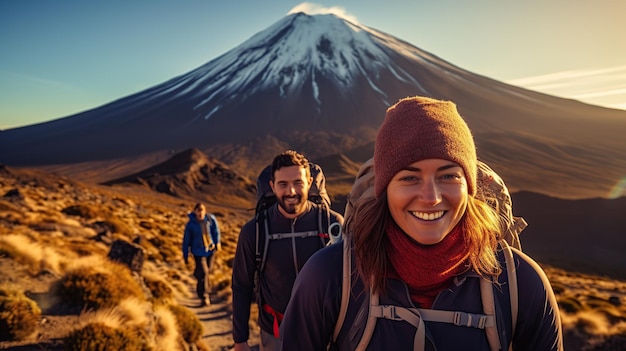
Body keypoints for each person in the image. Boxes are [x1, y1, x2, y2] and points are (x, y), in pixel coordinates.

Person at [281, 96, 563, 350]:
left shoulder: (521, 283)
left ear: (470, 186)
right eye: (409, 178)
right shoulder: (330, 276)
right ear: (385, 190)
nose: (430, 197)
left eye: (448, 176)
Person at [232, 150, 344, 351]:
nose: (291, 191)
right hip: (275, 333)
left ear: (309, 183)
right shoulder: (255, 231)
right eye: (283, 184)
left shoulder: (332, 223)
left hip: (327, 332)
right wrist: (240, 339)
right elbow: (241, 285)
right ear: (272, 186)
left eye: (298, 183)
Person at [182, 202, 221, 306]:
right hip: (198, 252)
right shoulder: (191, 224)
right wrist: (185, 255)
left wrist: (217, 243)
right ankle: (204, 297)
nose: (200, 213)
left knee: (207, 272)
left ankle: (204, 288)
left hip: (210, 250)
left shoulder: (210, 219)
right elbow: (186, 240)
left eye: (202, 210)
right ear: (194, 211)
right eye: (198, 210)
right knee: (204, 273)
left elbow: (216, 231)